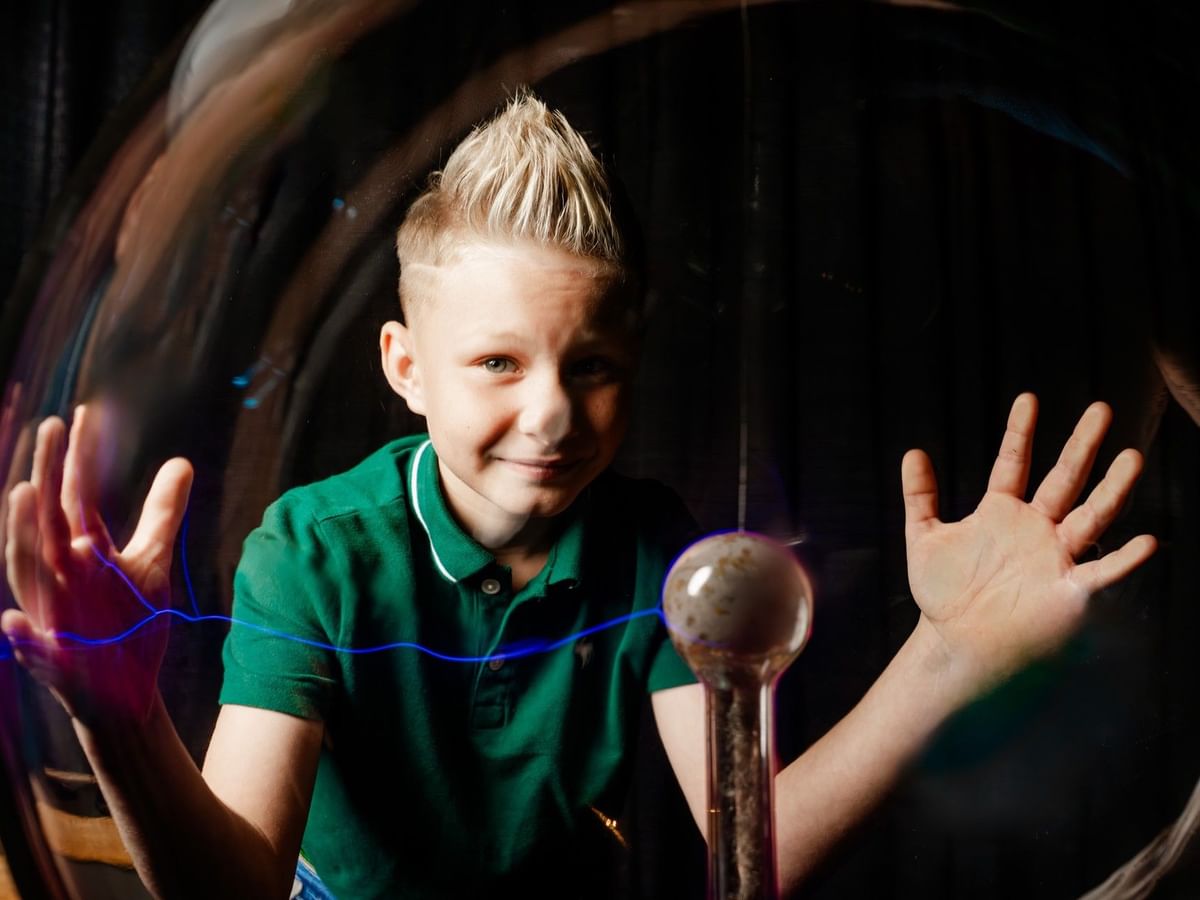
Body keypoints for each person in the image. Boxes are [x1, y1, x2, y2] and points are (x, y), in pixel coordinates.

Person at [1, 94, 1157, 899]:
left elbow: (753, 856)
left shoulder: (654, 550)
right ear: (407, 367)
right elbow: (237, 886)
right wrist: (123, 718)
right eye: (498, 363)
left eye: (589, 365)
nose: (552, 413)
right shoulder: (313, 551)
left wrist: (946, 654)